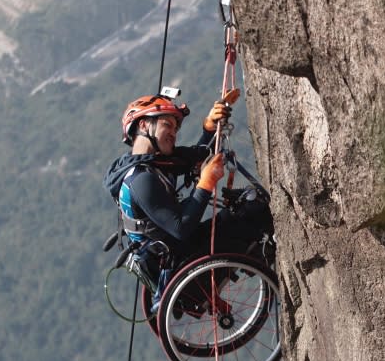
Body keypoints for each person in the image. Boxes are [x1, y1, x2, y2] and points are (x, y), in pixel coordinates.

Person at [102, 92, 273, 309]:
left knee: (242, 209)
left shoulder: (154, 162)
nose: (174, 133)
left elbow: (197, 155)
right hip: (180, 256)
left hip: (177, 251)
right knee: (253, 209)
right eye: (168, 125)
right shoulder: (141, 179)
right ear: (145, 125)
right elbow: (180, 227)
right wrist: (205, 184)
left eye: (176, 128)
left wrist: (209, 127)